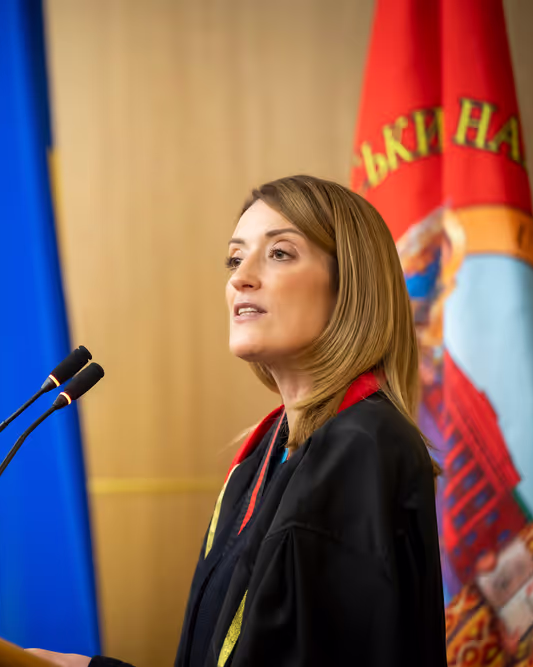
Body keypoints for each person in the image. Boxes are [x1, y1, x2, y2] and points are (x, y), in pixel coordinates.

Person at [28, 175, 447, 666]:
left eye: (280, 253)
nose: (240, 277)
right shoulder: (268, 450)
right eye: (234, 258)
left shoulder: (363, 445)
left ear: (350, 284)